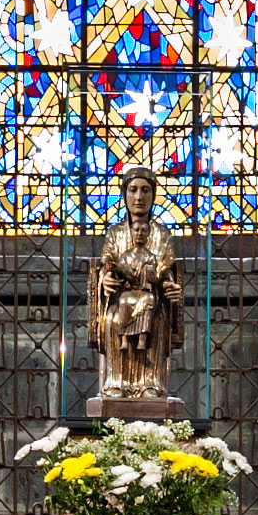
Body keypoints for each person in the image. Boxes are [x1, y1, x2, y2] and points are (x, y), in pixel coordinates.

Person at [91, 167, 183, 398]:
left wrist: (169, 285)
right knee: (112, 319)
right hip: (120, 300)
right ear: (124, 195)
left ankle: (150, 383)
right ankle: (116, 383)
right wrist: (106, 279)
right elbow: (106, 263)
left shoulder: (162, 235)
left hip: (151, 298)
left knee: (155, 318)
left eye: (145, 190)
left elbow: (165, 269)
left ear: (153, 195)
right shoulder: (115, 233)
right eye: (133, 190)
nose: (139, 197)